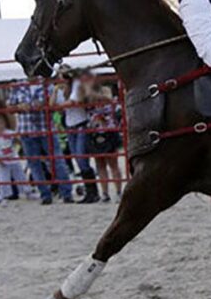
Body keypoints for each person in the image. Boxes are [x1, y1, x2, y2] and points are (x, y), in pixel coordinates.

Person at [7, 78, 74, 204]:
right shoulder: (17, 86)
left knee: (56, 161)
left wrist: (44, 105)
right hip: (27, 130)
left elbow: (56, 105)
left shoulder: (47, 85)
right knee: (35, 164)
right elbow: (10, 107)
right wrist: (18, 107)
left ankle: (66, 193)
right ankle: (45, 194)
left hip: (45, 129)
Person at [59, 69, 100, 204]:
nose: (62, 79)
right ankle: (91, 192)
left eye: (64, 76)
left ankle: (92, 192)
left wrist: (59, 104)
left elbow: (74, 101)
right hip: (71, 126)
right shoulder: (63, 89)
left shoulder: (77, 84)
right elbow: (56, 103)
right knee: (78, 158)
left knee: (81, 158)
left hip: (80, 124)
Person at [86, 86, 124, 203]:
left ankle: (118, 192)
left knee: (113, 163)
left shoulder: (106, 92)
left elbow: (109, 98)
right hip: (95, 133)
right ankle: (105, 193)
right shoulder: (89, 98)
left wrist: (96, 95)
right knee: (100, 164)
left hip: (109, 132)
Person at [0, 114, 31, 202]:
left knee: (20, 176)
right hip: (1, 160)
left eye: (1, 123)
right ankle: (4, 195)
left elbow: (18, 139)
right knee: (3, 178)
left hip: (13, 157)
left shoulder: (9, 132)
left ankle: (27, 191)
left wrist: (21, 147)